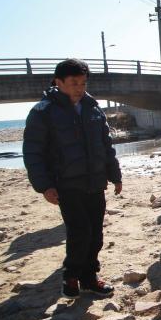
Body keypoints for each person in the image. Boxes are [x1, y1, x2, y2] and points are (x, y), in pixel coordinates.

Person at [23, 59, 122, 299]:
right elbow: (33, 152)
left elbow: (106, 146)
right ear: (58, 83)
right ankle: (71, 276)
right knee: (81, 232)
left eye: (83, 83)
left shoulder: (92, 108)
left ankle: (89, 278)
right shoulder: (43, 112)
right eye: (74, 83)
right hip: (67, 185)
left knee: (96, 234)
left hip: (95, 183)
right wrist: (45, 185)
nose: (79, 88)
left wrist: (115, 175)